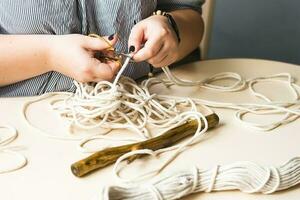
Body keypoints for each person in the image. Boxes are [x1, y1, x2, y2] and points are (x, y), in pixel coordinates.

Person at [0, 0, 204, 96]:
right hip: (22, 128)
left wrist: (170, 27)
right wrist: (49, 54)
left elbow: (189, 14)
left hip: (148, 104)